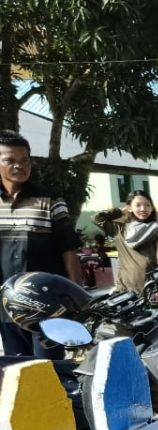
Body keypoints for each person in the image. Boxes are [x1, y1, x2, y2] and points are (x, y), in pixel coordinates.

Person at [0, 129, 83, 356]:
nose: (19, 165)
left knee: (51, 370)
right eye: (10, 160)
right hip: (6, 308)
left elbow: (68, 249)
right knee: (18, 371)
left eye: (25, 160)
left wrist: (76, 296)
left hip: (47, 306)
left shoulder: (50, 200)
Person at [93, 189, 158, 293]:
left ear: (152, 208)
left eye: (147, 205)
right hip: (126, 289)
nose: (143, 209)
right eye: (138, 205)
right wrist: (120, 212)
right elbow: (96, 218)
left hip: (151, 289)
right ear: (129, 208)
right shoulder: (120, 230)